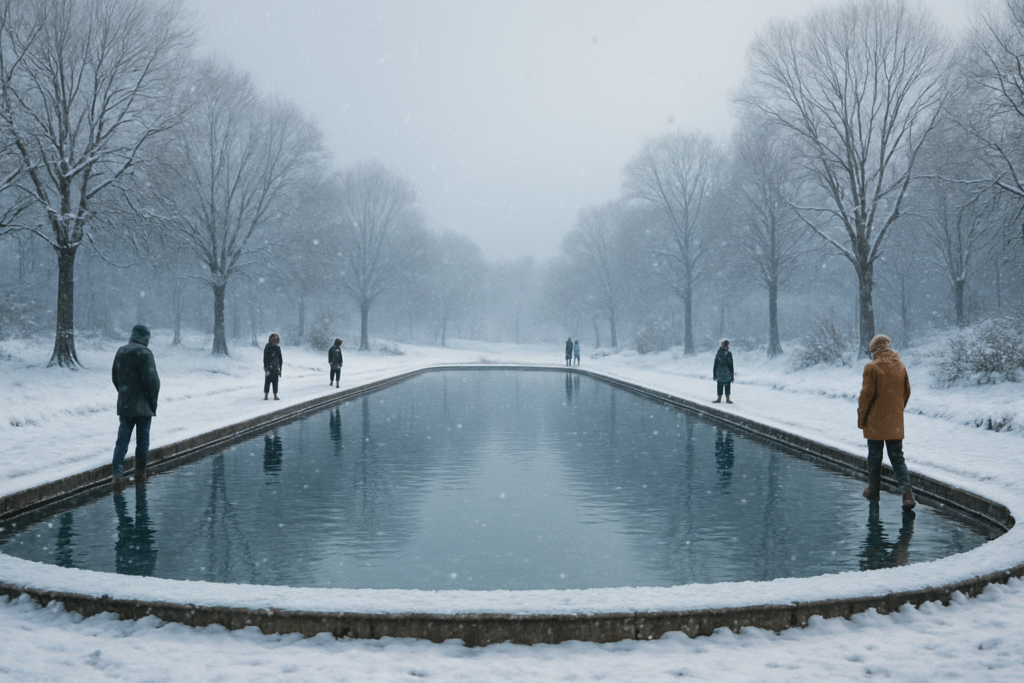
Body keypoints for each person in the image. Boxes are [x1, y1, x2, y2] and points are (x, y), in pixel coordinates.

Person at [858, 334, 915, 511]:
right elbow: (907, 392)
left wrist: (862, 419)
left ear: (875, 349)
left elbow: (866, 397)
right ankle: (907, 494)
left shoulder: (872, 367)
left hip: (875, 422)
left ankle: (874, 490)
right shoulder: (900, 366)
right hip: (894, 422)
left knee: (874, 457)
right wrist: (896, 411)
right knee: (898, 458)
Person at [111, 324, 160, 483]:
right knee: (142, 442)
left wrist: (124, 393)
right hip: (144, 408)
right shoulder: (145, 353)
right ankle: (140, 475)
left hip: (126, 406)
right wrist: (152, 403)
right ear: (146, 337)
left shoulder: (121, 351)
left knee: (122, 441)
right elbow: (153, 382)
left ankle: (117, 476)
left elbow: (115, 376)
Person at [712, 339, 734, 403]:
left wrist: (732, 376)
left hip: (724, 372)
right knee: (722, 385)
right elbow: (715, 364)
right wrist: (714, 374)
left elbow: (731, 365)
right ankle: (722, 398)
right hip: (722, 372)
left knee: (723, 385)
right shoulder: (721, 353)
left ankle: (725, 398)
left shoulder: (727, 353)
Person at [263, 333, 283, 400]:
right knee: (268, 381)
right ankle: (267, 395)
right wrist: (265, 366)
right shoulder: (269, 347)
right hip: (270, 367)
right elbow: (265, 357)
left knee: (274, 381)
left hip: (274, 367)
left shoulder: (276, 348)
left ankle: (274, 395)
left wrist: (280, 367)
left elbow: (280, 359)